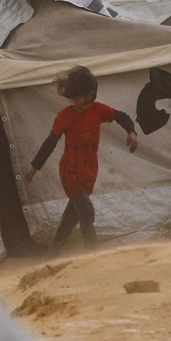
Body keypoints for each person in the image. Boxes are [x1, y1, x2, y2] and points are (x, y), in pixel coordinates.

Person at [25, 66, 138, 256]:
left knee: (70, 220)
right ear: (74, 96)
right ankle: (92, 257)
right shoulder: (64, 117)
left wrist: (132, 132)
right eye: (84, 97)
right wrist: (35, 167)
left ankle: (50, 257)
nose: (88, 100)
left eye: (92, 96)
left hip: (88, 172)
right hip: (70, 173)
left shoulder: (98, 110)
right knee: (87, 212)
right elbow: (50, 142)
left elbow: (121, 117)